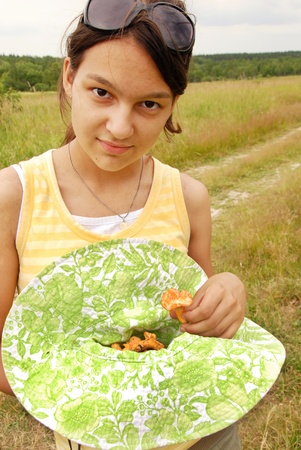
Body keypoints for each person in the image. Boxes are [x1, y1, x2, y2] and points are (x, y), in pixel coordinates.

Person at [0, 0, 246, 448]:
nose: (119, 126)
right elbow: (2, 355)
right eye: (102, 92)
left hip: (202, 430)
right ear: (69, 75)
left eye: (149, 103)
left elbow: (198, 319)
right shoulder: (15, 198)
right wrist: (104, 397)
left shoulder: (188, 197)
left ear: (172, 105)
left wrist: (228, 289)